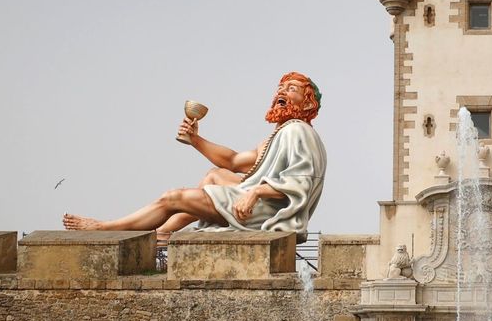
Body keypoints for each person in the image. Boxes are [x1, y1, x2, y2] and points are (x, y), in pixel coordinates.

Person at [62, 72, 327, 239]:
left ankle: (107, 229)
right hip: (255, 201)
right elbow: (234, 161)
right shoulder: (278, 135)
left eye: (291, 89)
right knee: (214, 175)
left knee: (173, 197)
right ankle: (163, 233)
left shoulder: (298, 133)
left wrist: (255, 193)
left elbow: (301, 182)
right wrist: (196, 140)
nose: (281, 92)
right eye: (280, 88)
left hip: (264, 210)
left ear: (307, 103)